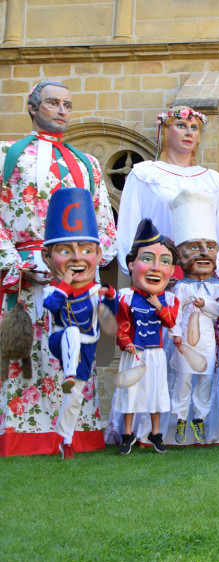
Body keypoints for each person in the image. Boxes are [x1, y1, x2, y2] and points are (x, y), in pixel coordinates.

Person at [0, 80, 117, 457]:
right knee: (25, 351)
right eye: (52, 102)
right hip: (24, 270)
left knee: (72, 352)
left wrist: (87, 263)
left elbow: (103, 222)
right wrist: (15, 264)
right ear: (32, 108)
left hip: (76, 273)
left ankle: (74, 435)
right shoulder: (7, 154)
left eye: (67, 104)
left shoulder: (89, 163)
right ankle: (21, 435)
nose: (62, 110)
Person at [116, 106, 219, 277]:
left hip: (201, 277)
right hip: (156, 274)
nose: (189, 132)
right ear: (166, 131)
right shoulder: (144, 175)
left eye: (194, 128)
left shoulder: (211, 180)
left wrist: (208, 264)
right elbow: (128, 230)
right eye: (181, 125)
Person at [40, 188, 118, 459]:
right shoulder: (53, 289)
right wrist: (66, 284)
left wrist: (110, 296)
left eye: (85, 250)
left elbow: (110, 316)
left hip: (86, 348)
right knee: (72, 330)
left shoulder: (96, 290)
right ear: (47, 258)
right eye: (65, 250)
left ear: (97, 254)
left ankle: (66, 440)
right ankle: (69, 374)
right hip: (61, 340)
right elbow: (51, 306)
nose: (77, 258)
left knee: (73, 399)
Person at [164, 189, 219, 446]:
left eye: (210, 247)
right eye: (195, 247)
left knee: (205, 381)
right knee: (182, 381)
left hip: (208, 342)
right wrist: (177, 338)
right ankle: (180, 419)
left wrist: (206, 305)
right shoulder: (179, 287)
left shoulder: (216, 287)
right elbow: (173, 314)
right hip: (184, 343)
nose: (204, 253)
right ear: (180, 255)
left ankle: (201, 418)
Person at [110, 219, 180, 455]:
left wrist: (158, 307)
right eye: (147, 259)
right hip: (135, 353)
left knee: (156, 392)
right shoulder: (126, 296)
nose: (156, 268)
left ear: (171, 271)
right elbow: (121, 324)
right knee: (131, 392)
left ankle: (156, 432)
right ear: (131, 264)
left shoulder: (169, 300)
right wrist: (126, 342)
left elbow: (171, 323)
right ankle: (127, 434)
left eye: (165, 262)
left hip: (156, 354)